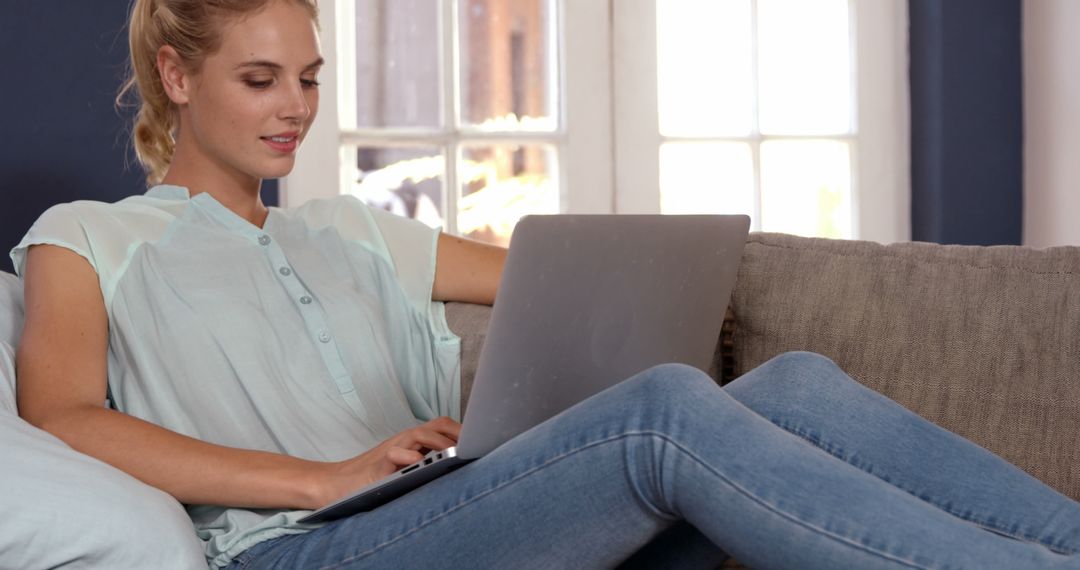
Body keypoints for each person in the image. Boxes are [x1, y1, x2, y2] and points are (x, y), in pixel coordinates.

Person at [12, 0, 1079, 568]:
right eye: (259, 80)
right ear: (178, 75)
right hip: (305, 551)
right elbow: (60, 415)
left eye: (308, 78)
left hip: (451, 519)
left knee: (791, 381)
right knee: (663, 412)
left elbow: (562, 281)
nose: (294, 107)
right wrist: (322, 480)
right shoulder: (89, 238)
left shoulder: (352, 231)